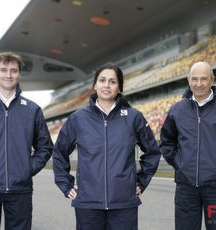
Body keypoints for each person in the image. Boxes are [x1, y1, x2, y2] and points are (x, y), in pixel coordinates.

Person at [53, 63, 161, 230]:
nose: (106, 85)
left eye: (112, 81)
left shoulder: (134, 118)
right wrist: (65, 184)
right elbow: (59, 152)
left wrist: (140, 181)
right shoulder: (78, 119)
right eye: (102, 80)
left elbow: (153, 152)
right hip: (88, 204)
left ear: (119, 87)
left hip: (124, 204)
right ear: (95, 85)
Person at [0, 51, 53, 230]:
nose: (9, 75)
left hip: (20, 189)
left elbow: (45, 146)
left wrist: (27, 169)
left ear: (19, 74)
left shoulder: (32, 110)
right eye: (4, 70)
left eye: (13, 70)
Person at [160, 61, 216, 230]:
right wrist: (180, 164)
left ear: (212, 80)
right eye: (194, 79)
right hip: (186, 188)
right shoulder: (177, 110)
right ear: (188, 80)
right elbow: (167, 142)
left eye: (204, 79)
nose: (198, 84)